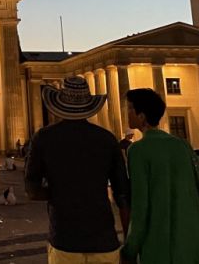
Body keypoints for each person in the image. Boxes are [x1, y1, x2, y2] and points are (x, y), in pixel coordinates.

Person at [25, 76, 130, 264]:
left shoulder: (44, 138)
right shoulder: (106, 139)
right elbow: (122, 194)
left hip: (65, 238)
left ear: (59, 104)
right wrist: (129, 240)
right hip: (104, 238)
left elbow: (32, 190)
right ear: (88, 106)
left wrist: (59, 192)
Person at [121, 88, 199, 263]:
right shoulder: (182, 145)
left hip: (160, 244)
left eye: (130, 108)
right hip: (194, 242)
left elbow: (140, 205)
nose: (127, 113)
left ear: (142, 116)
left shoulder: (138, 150)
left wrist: (130, 248)